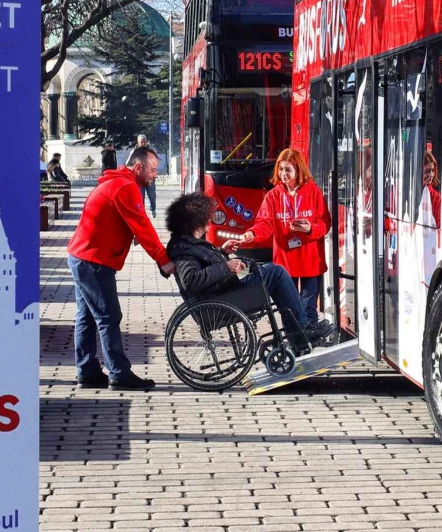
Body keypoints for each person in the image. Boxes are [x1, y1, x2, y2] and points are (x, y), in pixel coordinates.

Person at [66, 145, 174, 390]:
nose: (155, 175)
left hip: (82, 256)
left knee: (87, 317)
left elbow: (125, 222)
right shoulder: (126, 187)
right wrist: (163, 259)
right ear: (138, 167)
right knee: (108, 316)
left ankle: (88, 371)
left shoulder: (117, 182)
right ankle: (118, 373)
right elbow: (143, 226)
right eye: (153, 170)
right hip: (93, 261)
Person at [165, 192, 313, 356]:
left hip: (224, 292)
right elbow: (191, 279)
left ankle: (299, 334)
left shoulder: (187, 242)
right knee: (277, 273)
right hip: (223, 300)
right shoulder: (184, 249)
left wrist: (223, 252)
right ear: (196, 222)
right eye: (207, 216)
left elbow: (204, 265)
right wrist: (226, 267)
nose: (210, 219)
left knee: (270, 268)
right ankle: (302, 333)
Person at [235, 148, 332, 341]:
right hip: (285, 261)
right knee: (288, 307)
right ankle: (296, 341)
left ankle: (309, 342)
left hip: (310, 259)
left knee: (308, 305)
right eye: (281, 169)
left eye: (288, 170)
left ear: (299, 170)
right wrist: (251, 234)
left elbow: (325, 223)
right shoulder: (273, 196)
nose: (283, 174)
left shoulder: (313, 192)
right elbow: (265, 223)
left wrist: (310, 229)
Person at [135, 134, 158, 216]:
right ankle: (142, 212)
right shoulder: (134, 152)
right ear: (138, 142)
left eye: (145, 141)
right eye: (142, 142)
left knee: (152, 195)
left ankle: (153, 208)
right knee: (140, 197)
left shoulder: (151, 151)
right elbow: (129, 163)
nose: (143, 143)